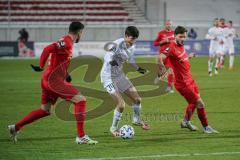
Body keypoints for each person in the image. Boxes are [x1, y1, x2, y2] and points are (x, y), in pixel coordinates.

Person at [8, 22, 98, 145]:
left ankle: (15, 127)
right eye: (82, 33)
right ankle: (81, 136)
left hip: (47, 79)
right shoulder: (66, 42)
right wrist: (41, 65)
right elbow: (47, 49)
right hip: (53, 81)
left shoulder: (65, 41)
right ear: (79, 33)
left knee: (45, 110)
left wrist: (65, 74)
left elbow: (58, 59)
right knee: (80, 100)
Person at [161, 26, 218, 134]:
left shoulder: (181, 45)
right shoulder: (171, 47)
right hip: (183, 84)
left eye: (184, 37)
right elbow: (160, 58)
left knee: (193, 102)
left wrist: (189, 56)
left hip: (190, 79)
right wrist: (161, 71)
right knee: (200, 104)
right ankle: (206, 127)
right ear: (175, 36)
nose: (183, 38)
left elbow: (181, 59)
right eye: (180, 36)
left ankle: (185, 122)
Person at [100, 26, 150, 137]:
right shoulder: (116, 44)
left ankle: (136, 119)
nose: (133, 42)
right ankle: (113, 128)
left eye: (135, 39)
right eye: (132, 39)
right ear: (126, 36)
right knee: (121, 105)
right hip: (108, 77)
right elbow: (107, 56)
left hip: (119, 76)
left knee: (137, 99)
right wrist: (111, 61)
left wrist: (138, 68)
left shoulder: (132, 47)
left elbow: (130, 59)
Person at [153, 20, 175, 93]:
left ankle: (170, 87)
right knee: (161, 69)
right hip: (162, 55)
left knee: (170, 70)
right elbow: (155, 43)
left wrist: (171, 41)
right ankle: (159, 76)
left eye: (169, 24)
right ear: (165, 25)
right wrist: (162, 42)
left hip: (170, 54)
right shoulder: (161, 33)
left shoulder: (174, 33)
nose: (168, 25)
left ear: (171, 25)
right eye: (167, 24)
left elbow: (176, 42)